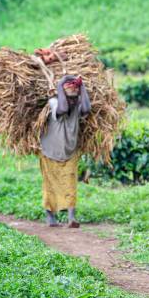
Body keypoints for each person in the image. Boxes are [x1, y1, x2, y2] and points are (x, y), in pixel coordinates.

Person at [39, 75, 91, 228]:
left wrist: (82, 87)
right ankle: (50, 217)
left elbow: (87, 108)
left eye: (75, 99)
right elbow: (62, 109)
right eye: (71, 98)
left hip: (69, 151)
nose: (73, 101)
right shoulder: (54, 102)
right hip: (49, 151)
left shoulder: (77, 105)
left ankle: (71, 218)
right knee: (50, 185)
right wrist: (61, 84)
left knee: (70, 183)